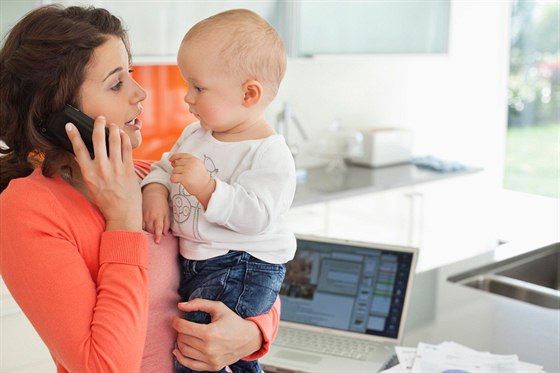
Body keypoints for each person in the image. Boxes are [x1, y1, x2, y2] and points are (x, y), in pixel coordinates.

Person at [0, 5, 280, 373]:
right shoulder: (26, 209)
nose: (140, 92)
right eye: (116, 83)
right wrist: (123, 220)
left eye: (130, 74)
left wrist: (253, 333)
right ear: (61, 114)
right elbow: (104, 366)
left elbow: (252, 260)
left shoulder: (154, 179)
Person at [141, 9, 296, 373]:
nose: (187, 98)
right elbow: (164, 168)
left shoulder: (269, 153)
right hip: (200, 262)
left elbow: (256, 216)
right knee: (216, 355)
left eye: (198, 87)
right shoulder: (196, 136)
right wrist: (155, 192)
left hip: (242, 263)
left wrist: (207, 187)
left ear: (249, 93)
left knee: (198, 352)